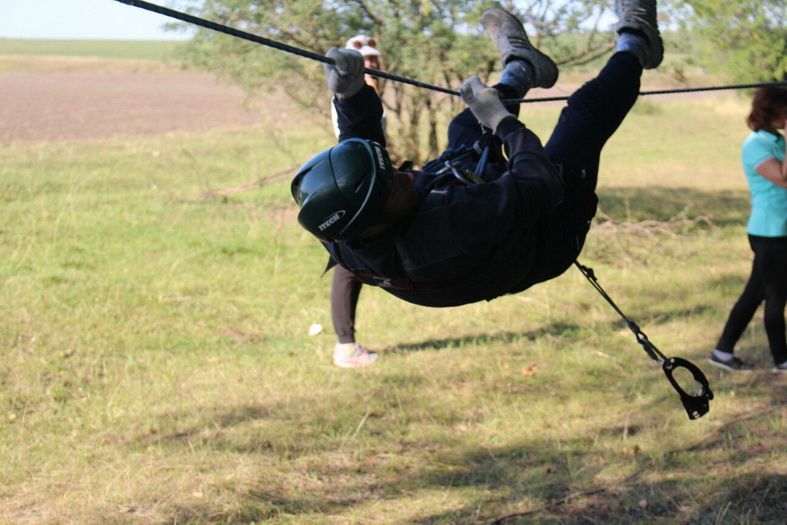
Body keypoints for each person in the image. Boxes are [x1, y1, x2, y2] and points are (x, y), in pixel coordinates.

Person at [292, 2, 664, 325]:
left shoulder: (347, 226)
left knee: (466, 126)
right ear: (379, 222)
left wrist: (350, 93)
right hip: (547, 229)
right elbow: (539, 183)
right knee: (582, 117)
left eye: (392, 173)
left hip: (466, 227)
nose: (406, 177)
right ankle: (638, 41)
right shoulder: (450, 226)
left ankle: (522, 67)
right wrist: (503, 122)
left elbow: (365, 160)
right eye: (394, 187)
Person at [708, 87, 787, 373]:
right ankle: (781, 360)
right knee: (777, 296)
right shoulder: (755, 145)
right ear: (772, 112)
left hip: (781, 230)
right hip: (770, 233)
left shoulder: (777, 140)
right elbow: (783, 178)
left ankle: (723, 352)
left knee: (754, 294)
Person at [329, 35, 386, 368]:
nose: (372, 66)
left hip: (366, 179)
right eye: (364, 61)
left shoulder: (369, 93)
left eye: (374, 60)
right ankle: (346, 346)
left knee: (350, 263)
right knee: (348, 265)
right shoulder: (351, 95)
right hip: (353, 184)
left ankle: (346, 345)